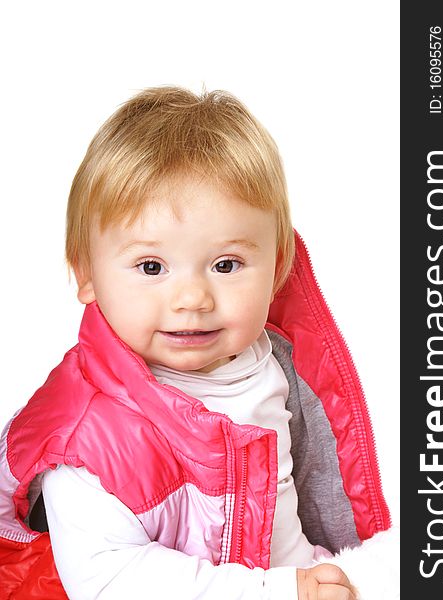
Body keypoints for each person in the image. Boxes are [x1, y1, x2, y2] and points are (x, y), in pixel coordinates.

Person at [0, 87, 394, 599]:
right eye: (151, 266)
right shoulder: (88, 438)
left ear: (276, 270)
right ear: (87, 274)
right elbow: (108, 580)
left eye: (225, 265)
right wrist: (278, 591)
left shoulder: (275, 362)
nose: (192, 298)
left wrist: (319, 574)